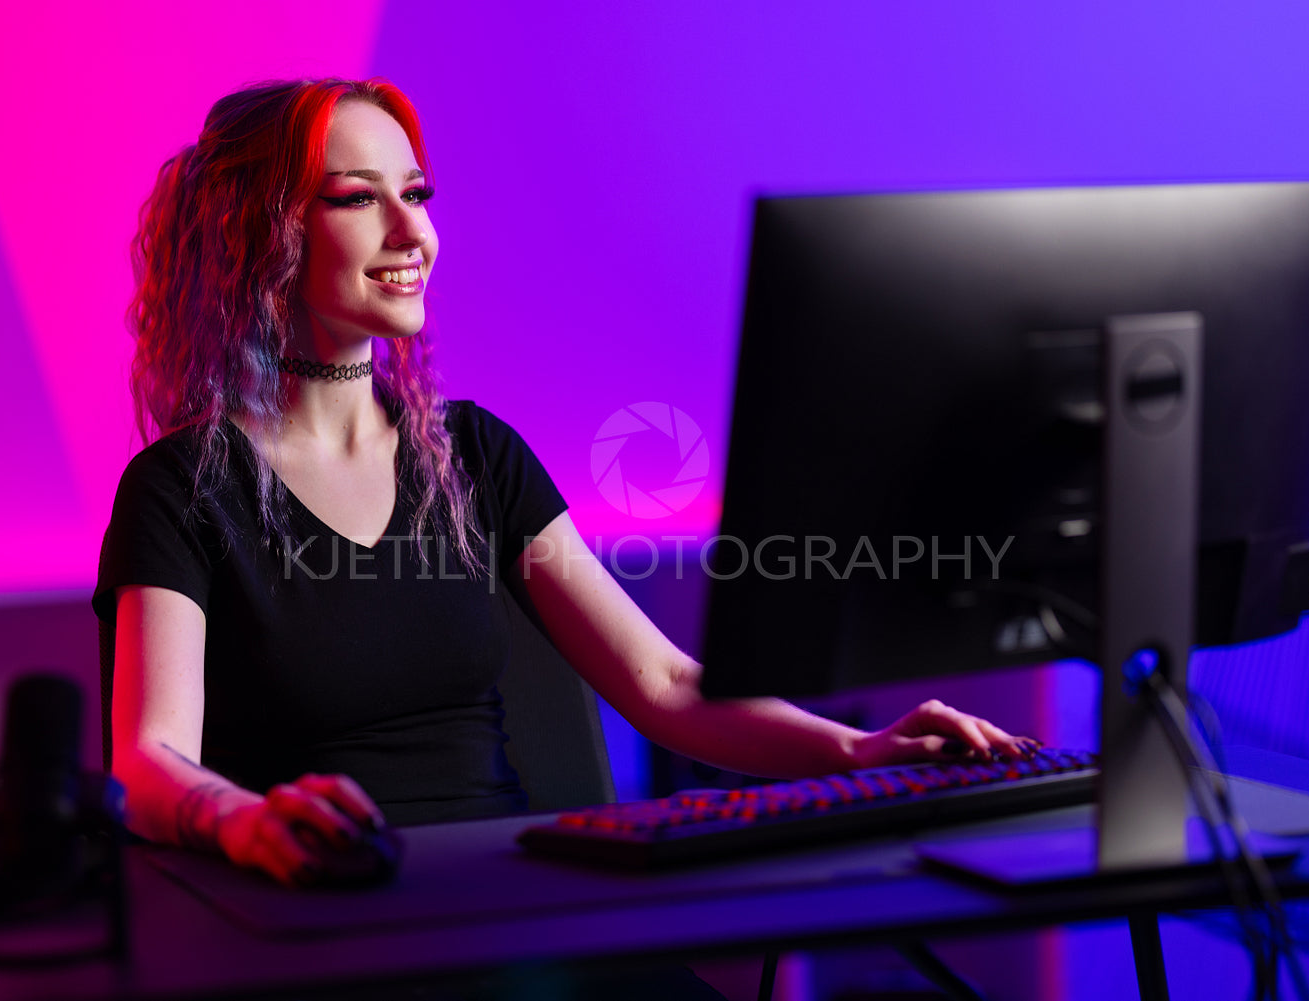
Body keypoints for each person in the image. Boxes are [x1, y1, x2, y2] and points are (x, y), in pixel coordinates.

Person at [93, 77, 1036, 892]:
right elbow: (148, 759)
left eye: (417, 193)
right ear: (259, 232)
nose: (411, 229)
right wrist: (242, 821)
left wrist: (858, 751)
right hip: (311, 914)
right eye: (356, 198)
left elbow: (663, 683)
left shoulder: (475, 455)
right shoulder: (181, 488)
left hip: (509, 913)